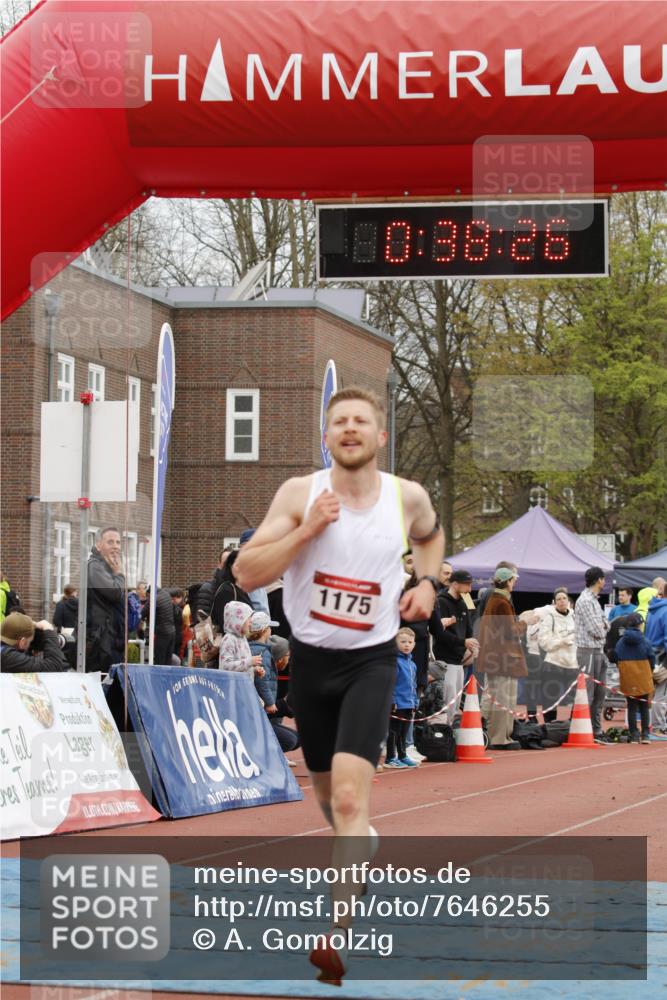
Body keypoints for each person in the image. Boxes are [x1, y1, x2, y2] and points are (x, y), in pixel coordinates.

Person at [234, 385, 443, 984]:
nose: (350, 429)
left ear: (379, 437)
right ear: (327, 437)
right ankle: (362, 842)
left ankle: (337, 934)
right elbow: (247, 571)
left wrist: (426, 584)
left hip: (371, 662)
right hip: (310, 662)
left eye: (361, 421)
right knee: (329, 802)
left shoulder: (407, 498)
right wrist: (306, 533)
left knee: (351, 799)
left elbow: (429, 537)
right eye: (339, 422)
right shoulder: (301, 495)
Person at [478, 565, 526, 749]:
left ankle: (501, 735)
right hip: (502, 659)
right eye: (513, 580)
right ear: (508, 581)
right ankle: (499, 737)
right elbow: (510, 631)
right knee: (503, 699)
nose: (514, 584)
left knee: (498, 697)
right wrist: (525, 622)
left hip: (498, 658)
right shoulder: (500, 602)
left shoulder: (496, 600)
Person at [430, 569, 479, 724]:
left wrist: (472, 644)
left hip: (459, 660)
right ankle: (441, 733)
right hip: (444, 660)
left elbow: (468, 631)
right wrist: (463, 642)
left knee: (456, 700)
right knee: (446, 699)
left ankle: (448, 733)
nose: (470, 590)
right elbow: (439, 633)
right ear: (455, 584)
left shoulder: (464, 603)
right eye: (467, 585)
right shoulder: (441, 602)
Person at [249, 611, 300, 757]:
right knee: (290, 740)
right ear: (264, 630)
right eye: (269, 628)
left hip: (261, 711)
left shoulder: (259, 651)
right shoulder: (263, 653)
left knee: (295, 738)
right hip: (257, 714)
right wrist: (273, 704)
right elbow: (261, 682)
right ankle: (264, 758)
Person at [574, 566, 609, 743]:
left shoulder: (595, 600)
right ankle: (583, 729)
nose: (605, 582)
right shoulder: (586, 600)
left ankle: (596, 730)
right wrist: (603, 627)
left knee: (600, 692)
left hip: (599, 650)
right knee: (587, 693)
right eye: (603, 579)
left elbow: (605, 623)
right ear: (599, 580)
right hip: (587, 650)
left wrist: (603, 627)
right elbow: (596, 629)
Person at [86, 527, 125, 673]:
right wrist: (119, 574)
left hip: (112, 638)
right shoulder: (95, 566)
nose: (115, 546)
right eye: (110, 542)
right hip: (100, 642)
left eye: (118, 542)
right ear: (98, 545)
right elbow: (114, 593)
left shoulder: (109, 567)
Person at [537, 588, 578, 722]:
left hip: (573, 664)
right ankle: (549, 726)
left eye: (564, 598)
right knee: (550, 697)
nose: (562, 601)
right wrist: (562, 642)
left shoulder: (574, 616)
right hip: (554, 663)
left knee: (577, 697)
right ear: (554, 602)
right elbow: (544, 643)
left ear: (568, 601)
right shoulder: (549, 618)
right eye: (559, 599)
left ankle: (573, 725)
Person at [615, 612, 655, 744]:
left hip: (628, 678)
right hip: (643, 676)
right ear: (639, 625)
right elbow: (651, 658)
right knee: (644, 706)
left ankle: (634, 734)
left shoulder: (621, 642)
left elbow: (616, 657)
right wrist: (650, 669)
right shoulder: (645, 641)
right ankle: (645, 735)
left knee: (631, 706)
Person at [385, 628, 420, 768]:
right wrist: (393, 701)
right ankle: (390, 758)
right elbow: (391, 683)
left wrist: (415, 701)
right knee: (394, 731)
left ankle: (402, 755)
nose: (407, 645)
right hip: (397, 704)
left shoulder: (412, 664)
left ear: (414, 644)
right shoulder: (395, 662)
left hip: (409, 704)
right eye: (403, 642)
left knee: (403, 732)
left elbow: (414, 684)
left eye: (410, 642)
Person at [1, 613, 69, 672]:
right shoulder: (7, 657)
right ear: (22, 642)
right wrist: (49, 631)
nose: (31, 644)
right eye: (30, 642)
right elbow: (54, 666)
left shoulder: (4, 651)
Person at [218, 600, 265, 680]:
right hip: (232, 689)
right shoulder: (229, 639)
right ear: (238, 620)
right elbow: (225, 666)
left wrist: (253, 670)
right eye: (248, 619)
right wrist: (249, 662)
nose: (251, 622)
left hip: (242, 687)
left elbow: (240, 666)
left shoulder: (242, 638)